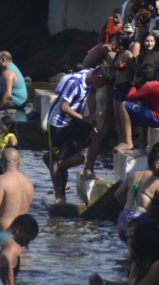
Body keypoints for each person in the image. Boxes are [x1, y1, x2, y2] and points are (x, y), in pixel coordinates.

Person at [45, 67, 110, 203]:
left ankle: (85, 170)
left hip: (74, 121)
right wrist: (84, 118)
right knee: (55, 158)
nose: (100, 87)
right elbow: (64, 107)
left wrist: (91, 123)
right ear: (98, 77)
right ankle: (59, 194)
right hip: (59, 123)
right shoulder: (75, 83)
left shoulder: (91, 74)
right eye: (101, 84)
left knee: (97, 135)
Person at [113, 62, 159, 151]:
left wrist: (135, 84)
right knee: (143, 105)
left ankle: (128, 142)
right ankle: (142, 141)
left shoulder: (149, 86)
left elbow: (129, 97)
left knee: (124, 105)